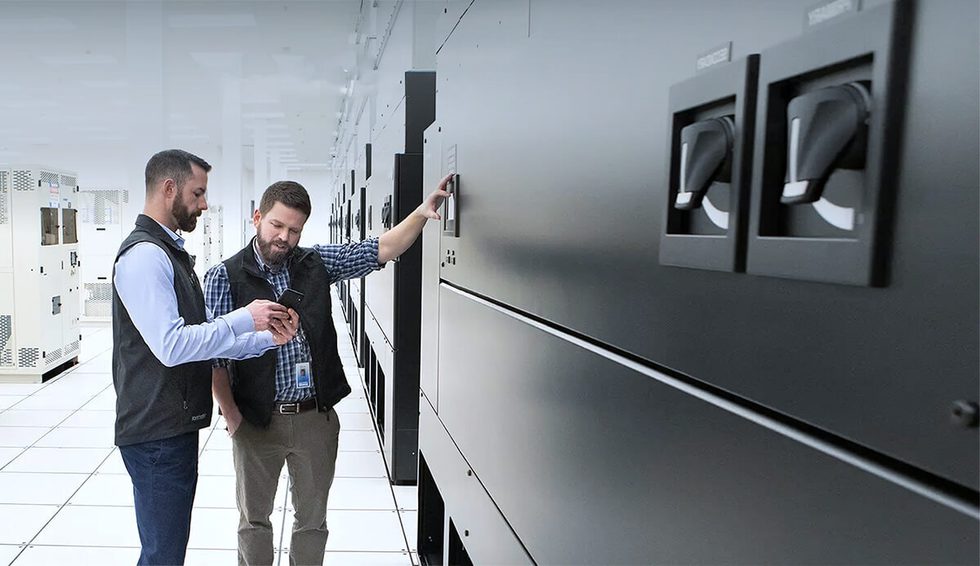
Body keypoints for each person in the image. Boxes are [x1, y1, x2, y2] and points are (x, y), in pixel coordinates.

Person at [205, 176, 450, 566]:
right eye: (277, 225)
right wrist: (232, 416)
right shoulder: (224, 277)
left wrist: (420, 213)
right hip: (255, 420)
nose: (284, 237)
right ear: (257, 218)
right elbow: (214, 358)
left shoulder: (315, 264)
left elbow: (379, 249)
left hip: (313, 419)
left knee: (312, 521)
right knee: (254, 521)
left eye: (294, 230)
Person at [112, 149, 301, 566]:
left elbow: (203, 340)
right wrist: (242, 318)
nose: (203, 203)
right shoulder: (145, 256)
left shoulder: (169, 252)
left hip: (171, 427)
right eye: (197, 193)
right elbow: (173, 345)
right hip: (155, 431)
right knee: (163, 554)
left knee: (169, 549)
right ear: (168, 189)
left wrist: (267, 339)